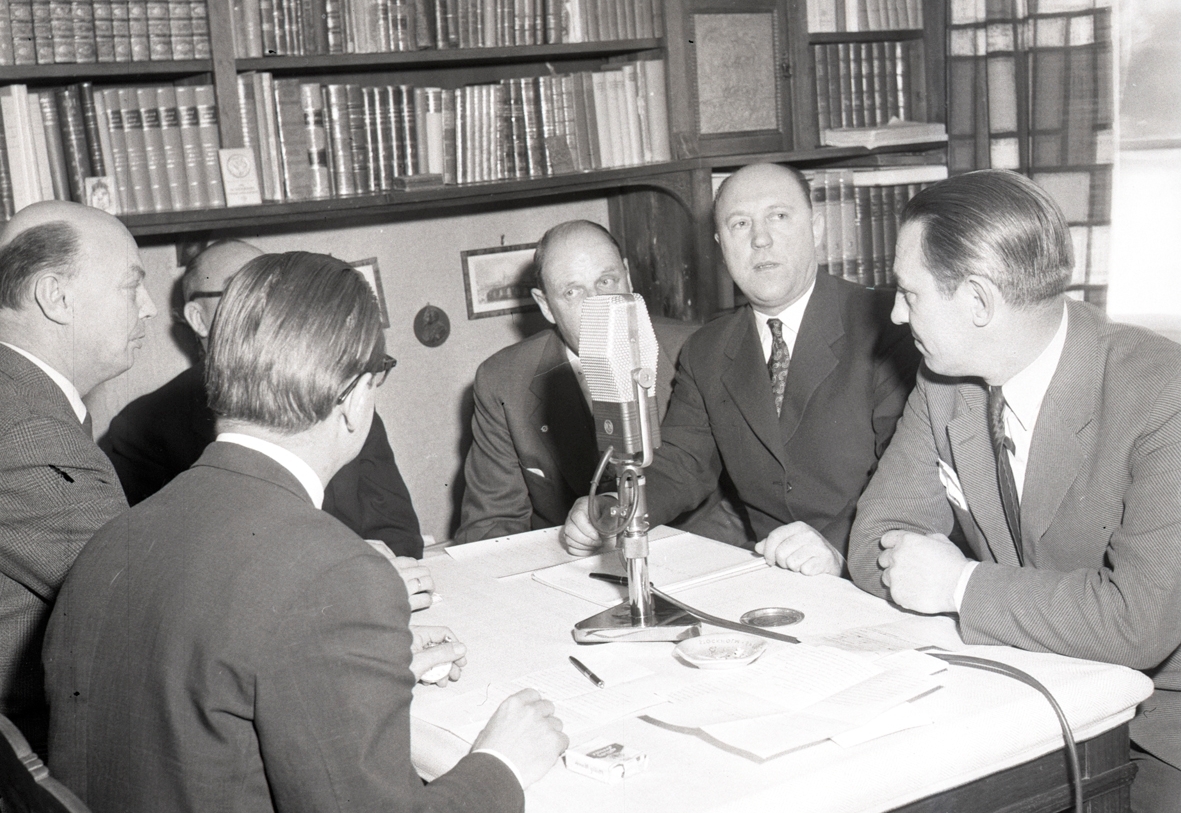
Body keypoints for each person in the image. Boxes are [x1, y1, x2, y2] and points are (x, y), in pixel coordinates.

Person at [44, 252, 591, 813]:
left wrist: (349, 668)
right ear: (355, 398)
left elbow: (215, 682)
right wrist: (502, 762)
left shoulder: (116, 539)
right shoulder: (331, 573)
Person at [847, 169, 1181, 813]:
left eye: (908, 294)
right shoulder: (942, 382)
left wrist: (961, 584)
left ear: (977, 301)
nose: (896, 317)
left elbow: (1138, 622)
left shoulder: (1160, 392)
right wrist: (941, 578)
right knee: (862, 795)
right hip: (1026, 683)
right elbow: (873, 540)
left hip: (1164, 707)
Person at [561, 162, 918, 573]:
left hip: (877, 565)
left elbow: (908, 474)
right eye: (740, 224)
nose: (760, 239)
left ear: (817, 229)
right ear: (720, 246)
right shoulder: (707, 350)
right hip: (772, 571)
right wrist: (614, 506)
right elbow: (682, 465)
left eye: (778, 216)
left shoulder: (888, 325)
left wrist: (838, 547)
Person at [104, 239, 425, 560]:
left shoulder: (340, 389)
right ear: (199, 319)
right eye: (241, 292)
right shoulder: (143, 428)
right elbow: (169, 565)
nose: (267, 307)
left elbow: (398, 530)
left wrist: (384, 570)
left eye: (275, 291)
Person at [0, 200, 155, 751]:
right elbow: (144, 603)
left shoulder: (23, 399)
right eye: (132, 286)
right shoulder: (29, 430)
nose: (149, 308)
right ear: (56, 297)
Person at [456, 219, 710, 543]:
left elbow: (734, 501)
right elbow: (491, 527)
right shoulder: (502, 381)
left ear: (628, 278)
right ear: (546, 305)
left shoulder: (697, 349)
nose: (597, 305)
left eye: (606, 281)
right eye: (573, 291)